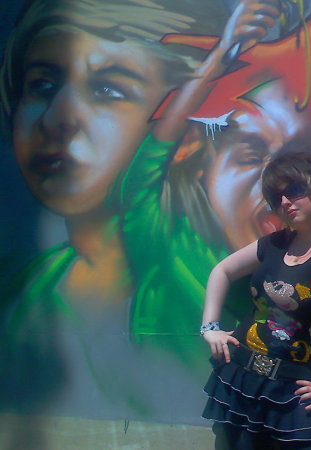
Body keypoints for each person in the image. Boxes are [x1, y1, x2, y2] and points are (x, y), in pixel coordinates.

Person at [0, 0, 283, 418]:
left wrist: (223, 51)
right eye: (42, 84)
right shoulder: (24, 292)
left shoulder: (169, 249)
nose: (57, 118)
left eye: (108, 90)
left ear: (187, 140)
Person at [200, 152, 311, 448]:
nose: (285, 202)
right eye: (276, 197)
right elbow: (222, 271)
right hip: (240, 379)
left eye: (295, 190)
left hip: (294, 392)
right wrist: (210, 328)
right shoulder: (275, 243)